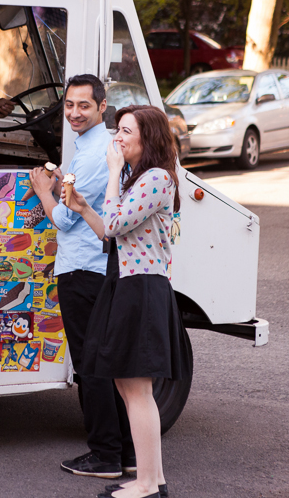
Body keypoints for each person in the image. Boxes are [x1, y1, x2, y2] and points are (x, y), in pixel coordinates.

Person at [63, 104, 191, 498]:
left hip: (142, 289)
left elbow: (116, 222)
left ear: (146, 138)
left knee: (137, 390)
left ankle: (150, 484)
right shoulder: (142, 178)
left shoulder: (156, 178)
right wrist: (83, 206)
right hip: (127, 285)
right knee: (127, 386)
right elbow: (111, 233)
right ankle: (149, 479)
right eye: (117, 130)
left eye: (125, 131)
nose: (116, 138)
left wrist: (114, 173)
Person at [29, 74, 135, 479]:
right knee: (105, 364)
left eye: (84, 106)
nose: (74, 113)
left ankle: (105, 454)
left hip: (82, 271)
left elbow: (65, 218)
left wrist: (43, 189)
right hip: (95, 269)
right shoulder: (95, 149)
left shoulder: (92, 155)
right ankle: (125, 453)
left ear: (102, 107)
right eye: (69, 105)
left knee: (91, 367)